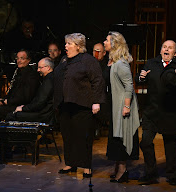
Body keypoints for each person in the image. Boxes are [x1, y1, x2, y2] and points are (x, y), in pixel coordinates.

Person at [54, 33, 105, 177]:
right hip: (65, 104)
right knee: (67, 135)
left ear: (78, 46)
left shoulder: (88, 60)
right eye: (66, 43)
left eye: (69, 44)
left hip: (82, 104)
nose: (66, 46)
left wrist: (96, 101)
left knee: (83, 137)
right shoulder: (64, 59)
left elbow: (97, 81)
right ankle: (70, 163)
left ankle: (86, 165)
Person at [136, 40, 176, 186]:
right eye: (164, 47)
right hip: (152, 111)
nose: (166, 49)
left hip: (171, 113)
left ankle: (172, 174)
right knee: (145, 142)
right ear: (161, 50)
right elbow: (141, 79)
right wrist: (141, 77)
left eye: (170, 48)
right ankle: (151, 173)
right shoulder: (151, 63)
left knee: (171, 145)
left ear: (175, 53)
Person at [103, 31, 140, 183]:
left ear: (114, 44)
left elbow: (129, 85)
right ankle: (118, 167)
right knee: (115, 136)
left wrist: (126, 106)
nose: (104, 42)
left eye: (106, 40)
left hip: (122, 105)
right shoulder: (112, 61)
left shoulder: (121, 63)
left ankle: (123, 170)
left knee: (122, 136)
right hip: (114, 104)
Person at [0, 49, 40, 123]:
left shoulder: (31, 76)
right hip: (13, 104)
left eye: (22, 58)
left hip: (21, 107)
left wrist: (6, 101)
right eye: (17, 58)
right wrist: (2, 99)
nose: (19, 61)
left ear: (28, 60)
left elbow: (26, 98)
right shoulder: (18, 72)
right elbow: (12, 93)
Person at [5, 57, 54, 123]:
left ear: (48, 67)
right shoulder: (50, 78)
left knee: (11, 116)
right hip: (44, 112)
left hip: (44, 114)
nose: (38, 70)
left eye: (40, 67)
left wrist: (23, 108)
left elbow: (40, 103)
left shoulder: (49, 80)